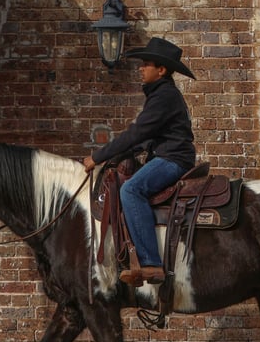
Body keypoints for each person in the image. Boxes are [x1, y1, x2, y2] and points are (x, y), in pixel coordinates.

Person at [83, 37, 196, 285]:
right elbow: (148, 136)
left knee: (132, 190)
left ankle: (151, 264)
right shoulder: (162, 94)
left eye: (146, 64)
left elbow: (137, 133)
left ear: (162, 70)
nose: (140, 68)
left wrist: (98, 157)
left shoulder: (164, 95)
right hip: (169, 154)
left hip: (172, 159)